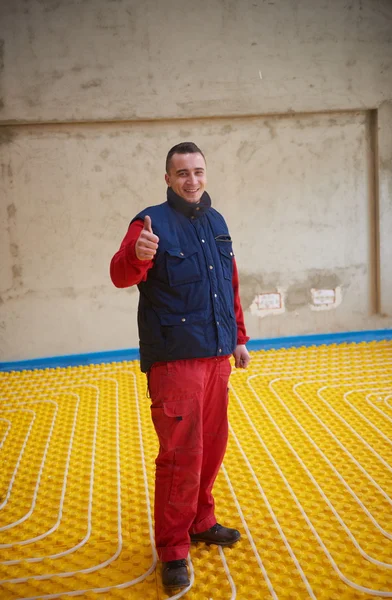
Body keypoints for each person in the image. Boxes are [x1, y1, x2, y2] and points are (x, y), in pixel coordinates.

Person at [110, 142, 250, 589]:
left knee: (211, 448)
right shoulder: (148, 223)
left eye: (198, 171)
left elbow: (229, 285)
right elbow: (119, 274)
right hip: (175, 363)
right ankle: (172, 549)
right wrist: (139, 255)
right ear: (167, 178)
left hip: (216, 359)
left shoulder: (216, 221)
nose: (192, 180)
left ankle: (199, 521)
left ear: (206, 173)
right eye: (182, 173)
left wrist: (239, 339)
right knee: (181, 457)